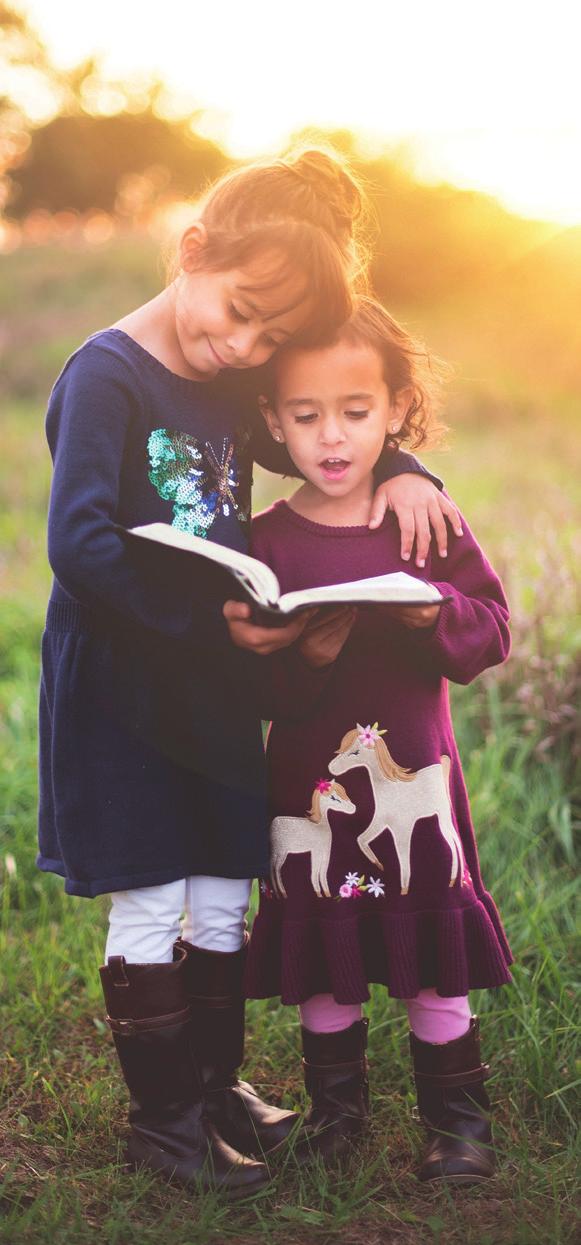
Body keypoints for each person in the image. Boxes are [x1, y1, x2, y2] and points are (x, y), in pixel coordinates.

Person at [38, 148, 461, 1195]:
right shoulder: (106, 373)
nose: (244, 347)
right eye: (238, 314)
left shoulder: (229, 379)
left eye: (269, 339)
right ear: (191, 251)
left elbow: (315, 436)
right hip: (125, 686)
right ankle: (163, 1125)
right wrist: (205, 622)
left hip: (215, 687)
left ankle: (214, 1088)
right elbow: (80, 544)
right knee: (150, 896)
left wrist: (403, 466)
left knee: (225, 890)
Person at [237, 297, 512, 1184]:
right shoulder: (265, 544)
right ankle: (336, 1116)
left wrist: (432, 611)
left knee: (432, 953)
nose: (331, 436)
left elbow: (491, 631)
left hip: (415, 777)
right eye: (305, 415)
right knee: (324, 950)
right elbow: (252, 687)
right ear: (273, 421)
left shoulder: (422, 518)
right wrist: (305, 653)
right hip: (308, 786)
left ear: (395, 411)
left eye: (355, 412)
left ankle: (456, 1123)